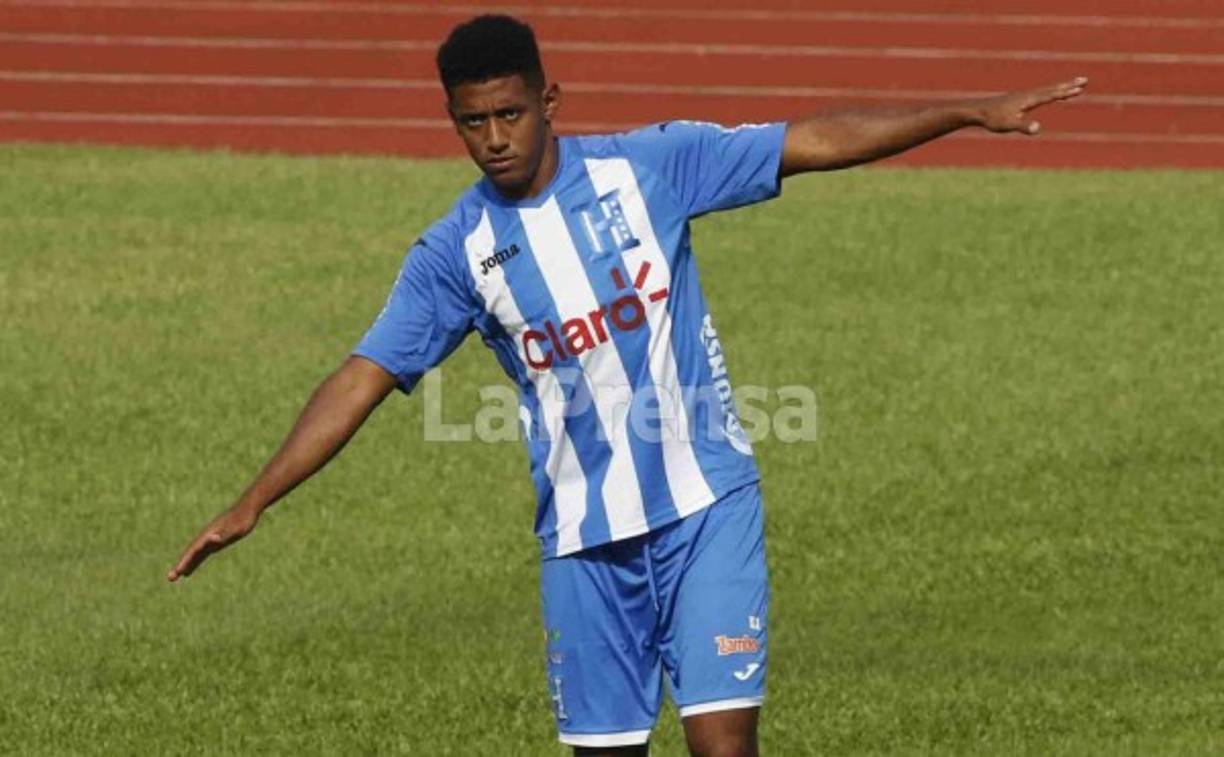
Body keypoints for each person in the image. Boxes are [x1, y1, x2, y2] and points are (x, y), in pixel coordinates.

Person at [168, 14, 1087, 756]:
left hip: (706, 508)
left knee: (724, 743)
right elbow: (362, 375)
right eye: (471, 122)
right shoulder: (456, 254)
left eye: (510, 114)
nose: (493, 139)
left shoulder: (651, 166)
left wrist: (965, 111)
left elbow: (811, 139)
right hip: (584, 545)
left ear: (550, 100)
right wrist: (255, 500)